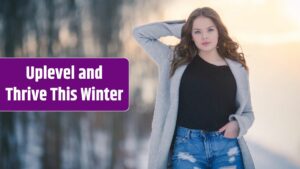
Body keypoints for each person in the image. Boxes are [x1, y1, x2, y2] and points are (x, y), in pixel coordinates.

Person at [132, 7, 255, 169]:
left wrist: (238, 125)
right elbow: (140, 33)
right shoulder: (174, 59)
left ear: (219, 31)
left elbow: (248, 113)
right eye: (197, 32)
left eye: (210, 29)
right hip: (187, 146)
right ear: (191, 34)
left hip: (226, 147)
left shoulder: (237, 69)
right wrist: (184, 28)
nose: (204, 36)